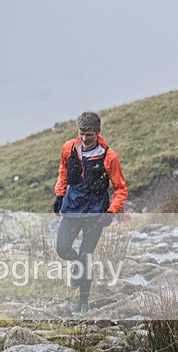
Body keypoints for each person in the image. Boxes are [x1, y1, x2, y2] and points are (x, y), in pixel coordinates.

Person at [52, 111, 128, 312]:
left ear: (98, 132)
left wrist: (111, 212)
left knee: (86, 255)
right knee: (62, 248)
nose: (85, 139)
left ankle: (83, 301)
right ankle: (76, 264)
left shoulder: (109, 157)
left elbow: (121, 188)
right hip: (72, 207)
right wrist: (59, 195)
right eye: (82, 134)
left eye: (89, 135)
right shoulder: (69, 148)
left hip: (96, 212)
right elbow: (63, 171)